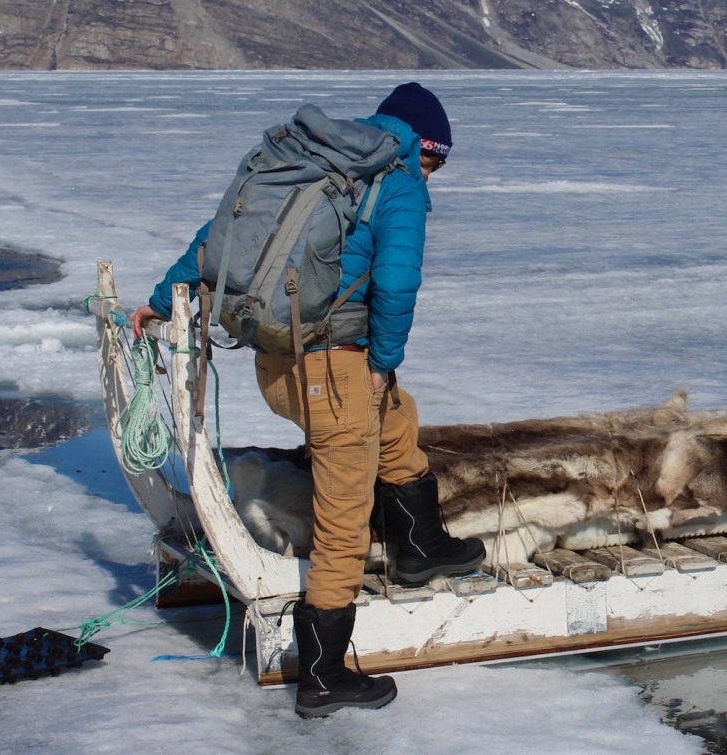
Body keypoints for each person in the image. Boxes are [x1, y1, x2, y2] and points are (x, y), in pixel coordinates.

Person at [130, 83, 484, 717]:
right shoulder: (398, 182)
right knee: (343, 521)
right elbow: (400, 280)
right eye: (438, 161)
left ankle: (420, 547)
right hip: (335, 370)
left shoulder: (309, 161)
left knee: (398, 418)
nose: (435, 174)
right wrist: (382, 362)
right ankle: (323, 677)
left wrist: (163, 299)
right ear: (424, 147)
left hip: (277, 363)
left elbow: (219, 238)